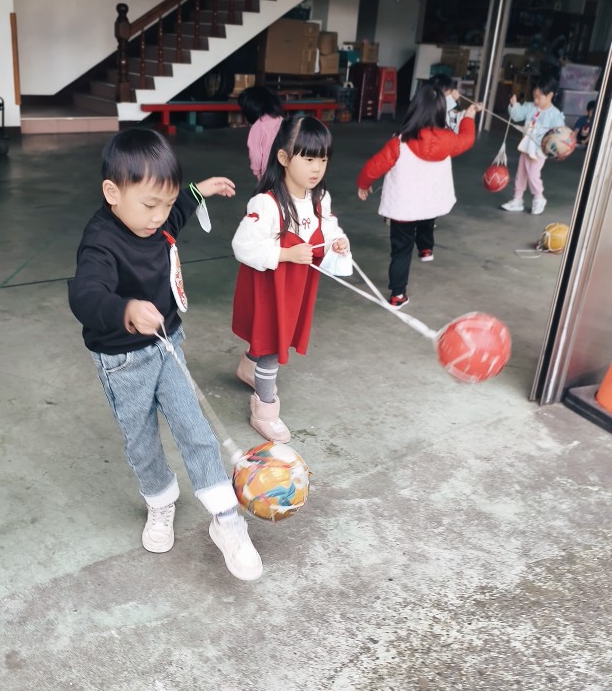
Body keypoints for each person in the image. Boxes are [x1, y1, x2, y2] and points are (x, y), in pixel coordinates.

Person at [68, 128, 263, 582]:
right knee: (141, 440)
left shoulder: (157, 220)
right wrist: (125, 310)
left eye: (167, 203)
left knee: (196, 428)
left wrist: (198, 191)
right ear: (112, 193)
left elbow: (176, 214)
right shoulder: (100, 241)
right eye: (150, 205)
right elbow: (86, 294)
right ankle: (160, 503)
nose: (159, 218)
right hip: (123, 361)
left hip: (167, 344)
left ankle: (226, 519)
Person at [232, 115, 349, 442]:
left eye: (323, 159)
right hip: (270, 288)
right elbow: (242, 245)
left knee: (273, 336)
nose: (317, 168)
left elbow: (328, 227)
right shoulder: (267, 203)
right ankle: (264, 410)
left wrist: (337, 242)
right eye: (309, 159)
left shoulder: (319, 198)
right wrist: (284, 254)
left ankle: (248, 366)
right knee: (272, 343)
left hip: (295, 286)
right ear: (283, 158)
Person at [356, 84, 482, 308]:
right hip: (430, 203)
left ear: (414, 109)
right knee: (427, 217)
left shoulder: (399, 143)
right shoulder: (449, 140)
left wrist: (363, 184)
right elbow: (467, 139)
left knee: (401, 250)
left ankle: (398, 295)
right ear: (441, 111)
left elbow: (374, 166)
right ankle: (426, 248)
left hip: (403, 209)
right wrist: (469, 117)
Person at [500, 75, 564, 216]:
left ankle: (539, 197)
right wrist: (514, 105)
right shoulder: (530, 106)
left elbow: (559, 134)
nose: (535, 100)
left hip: (539, 151)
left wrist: (554, 149)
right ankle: (517, 199)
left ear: (550, 95)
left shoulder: (555, 114)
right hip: (525, 147)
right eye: (534, 97)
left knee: (533, 174)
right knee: (521, 174)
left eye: (539, 97)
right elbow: (517, 115)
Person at [238, 85, 285, 179]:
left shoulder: (258, 126)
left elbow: (256, 155)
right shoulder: (282, 121)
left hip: (269, 174)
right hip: (288, 171)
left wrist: (257, 172)